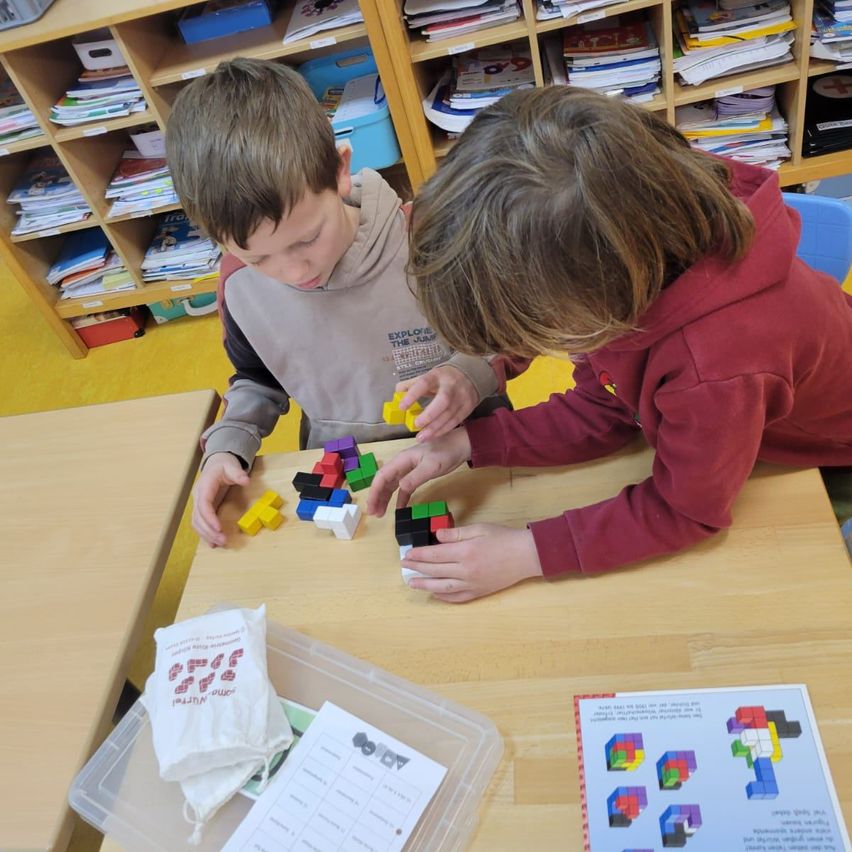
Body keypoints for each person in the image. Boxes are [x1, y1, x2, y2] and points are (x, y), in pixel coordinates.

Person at [367, 85, 852, 603]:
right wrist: (467, 442)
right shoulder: (633, 227)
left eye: (539, 335)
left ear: (597, 296)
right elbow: (609, 409)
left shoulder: (714, 367)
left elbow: (686, 511)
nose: (536, 354)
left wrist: (528, 551)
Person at [166, 58, 517, 547]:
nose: (295, 272)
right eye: (259, 257)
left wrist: (470, 375)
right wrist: (229, 445)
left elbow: (511, 337)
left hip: (467, 452)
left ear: (340, 171)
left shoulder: (430, 240)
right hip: (347, 475)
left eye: (307, 239)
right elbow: (259, 378)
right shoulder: (239, 287)